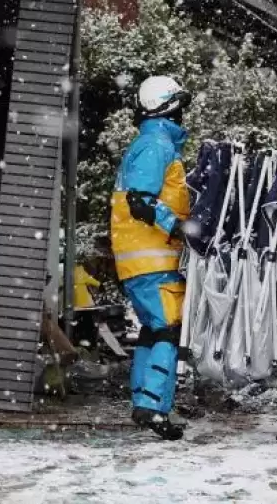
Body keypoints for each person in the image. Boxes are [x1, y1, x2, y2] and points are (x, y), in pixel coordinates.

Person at [110, 75, 192, 440]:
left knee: (152, 329)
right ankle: (153, 408)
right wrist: (179, 228)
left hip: (141, 259)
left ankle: (144, 403)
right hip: (153, 258)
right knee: (167, 329)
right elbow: (140, 202)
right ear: (172, 108)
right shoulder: (156, 144)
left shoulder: (151, 143)